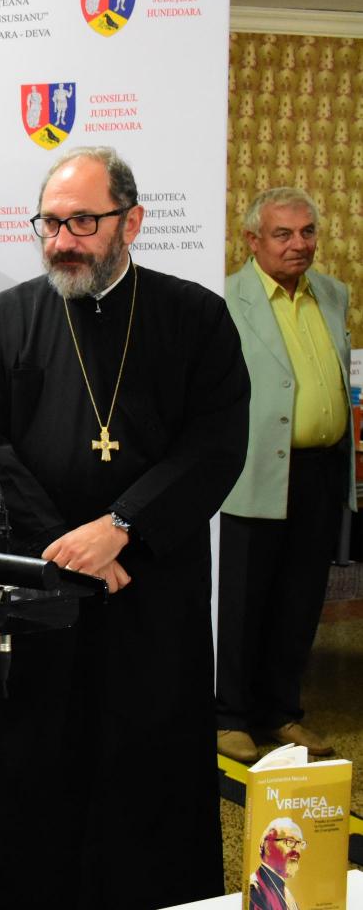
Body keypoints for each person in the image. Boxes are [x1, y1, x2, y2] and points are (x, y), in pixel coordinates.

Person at [0, 145, 249, 908]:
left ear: (131, 222)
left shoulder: (196, 318)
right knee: (42, 771)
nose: (62, 240)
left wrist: (121, 527)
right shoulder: (2, 321)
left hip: (154, 588)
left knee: (151, 772)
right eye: (50, 223)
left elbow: (216, 443)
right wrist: (67, 547)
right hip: (43, 591)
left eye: (83, 221)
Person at [217, 187, 352, 763]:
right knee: (244, 599)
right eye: (283, 233)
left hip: (321, 471)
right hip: (253, 471)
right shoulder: (225, 299)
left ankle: (280, 711)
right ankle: (229, 716)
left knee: (300, 599)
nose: (299, 244)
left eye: (307, 231)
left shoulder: (333, 293)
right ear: (253, 240)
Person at [250, 818, 305, 910]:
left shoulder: (287, 894)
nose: (297, 850)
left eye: (300, 844)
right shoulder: (254, 888)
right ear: (267, 845)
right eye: (290, 841)